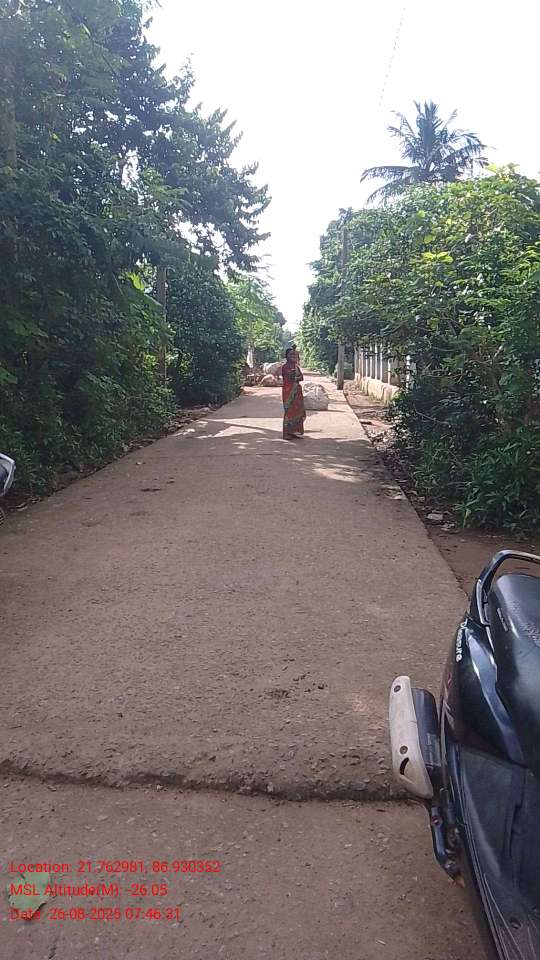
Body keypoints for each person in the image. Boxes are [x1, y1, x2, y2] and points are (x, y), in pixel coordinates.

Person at [282, 347, 306, 440]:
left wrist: (296, 378)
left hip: (297, 391)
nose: (293, 356)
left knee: (298, 411)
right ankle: (286, 433)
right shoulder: (285, 367)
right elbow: (290, 377)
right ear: (287, 356)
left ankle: (294, 432)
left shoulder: (296, 367)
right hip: (288, 392)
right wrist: (296, 378)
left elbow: (301, 377)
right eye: (291, 354)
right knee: (289, 411)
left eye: (295, 355)